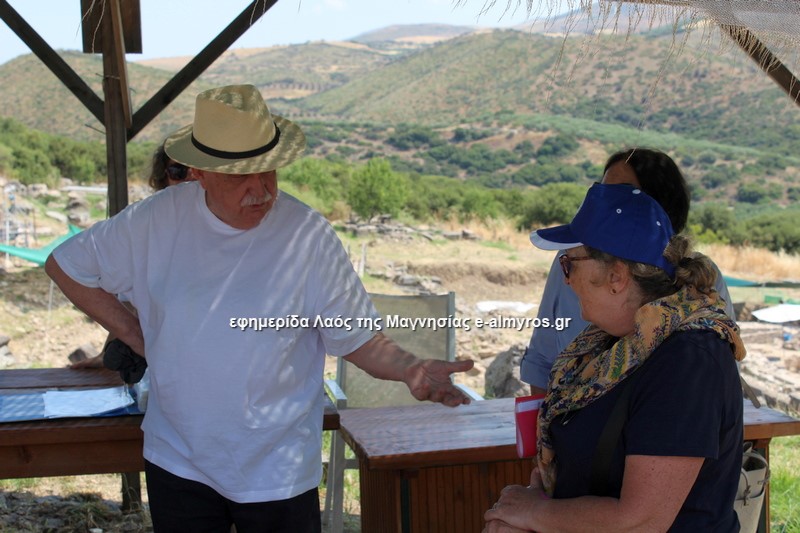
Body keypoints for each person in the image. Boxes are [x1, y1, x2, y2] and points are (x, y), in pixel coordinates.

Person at [46, 84, 474, 532]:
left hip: (277, 469)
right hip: (178, 458)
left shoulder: (307, 236)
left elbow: (357, 336)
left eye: (268, 170)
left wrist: (410, 368)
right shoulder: (155, 220)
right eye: (239, 176)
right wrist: (139, 337)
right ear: (200, 172)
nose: (261, 189)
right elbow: (67, 265)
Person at [484, 183, 745, 532]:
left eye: (569, 264)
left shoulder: (688, 361)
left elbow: (640, 522)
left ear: (616, 277)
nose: (566, 279)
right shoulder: (612, 343)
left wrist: (535, 514)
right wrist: (532, 512)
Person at [521, 148, 736, 396]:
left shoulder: (690, 344)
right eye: (602, 190)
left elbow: (714, 379)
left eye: (621, 193)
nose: (604, 201)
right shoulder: (572, 261)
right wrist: (545, 418)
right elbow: (542, 357)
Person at [69, 143, 194, 370]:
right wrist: (119, 348)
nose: (190, 179)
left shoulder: (237, 224)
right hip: (172, 366)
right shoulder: (147, 227)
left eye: (200, 170)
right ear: (164, 179)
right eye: (179, 171)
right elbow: (129, 301)